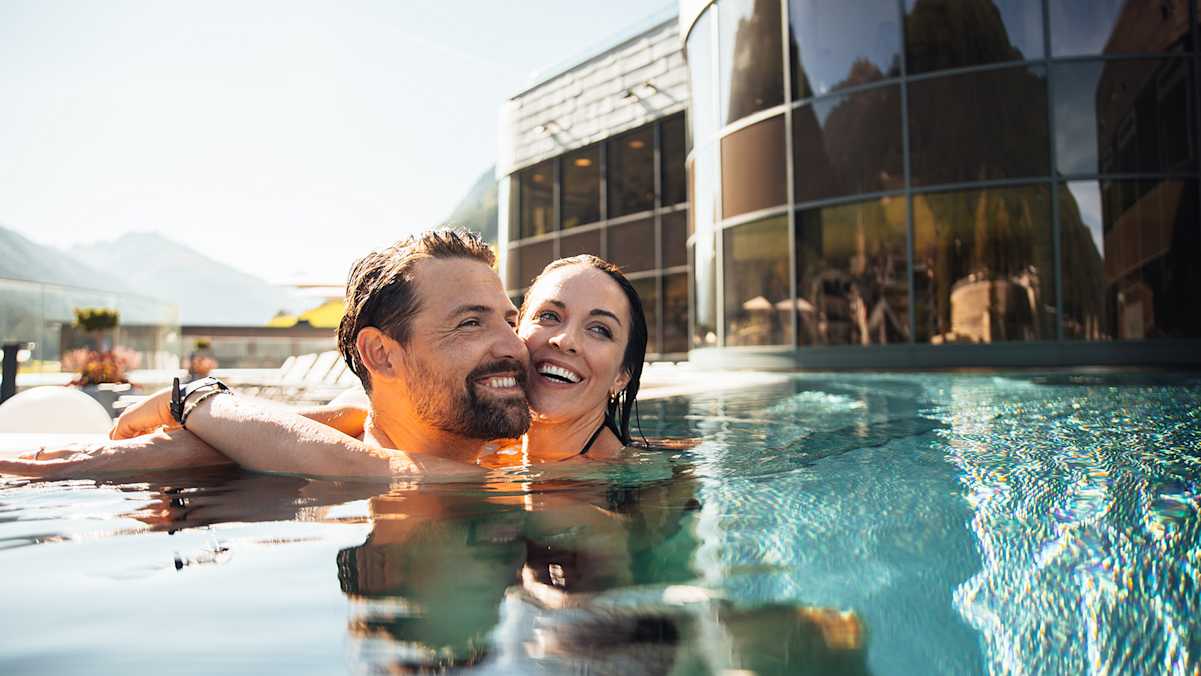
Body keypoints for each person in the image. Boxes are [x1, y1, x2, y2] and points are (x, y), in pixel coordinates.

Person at [0, 229, 648, 479]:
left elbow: (384, 470)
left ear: (623, 371)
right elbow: (343, 424)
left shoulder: (605, 480)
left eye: (599, 329)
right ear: (382, 355)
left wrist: (194, 399)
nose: (529, 343)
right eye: (539, 318)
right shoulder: (495, 447)